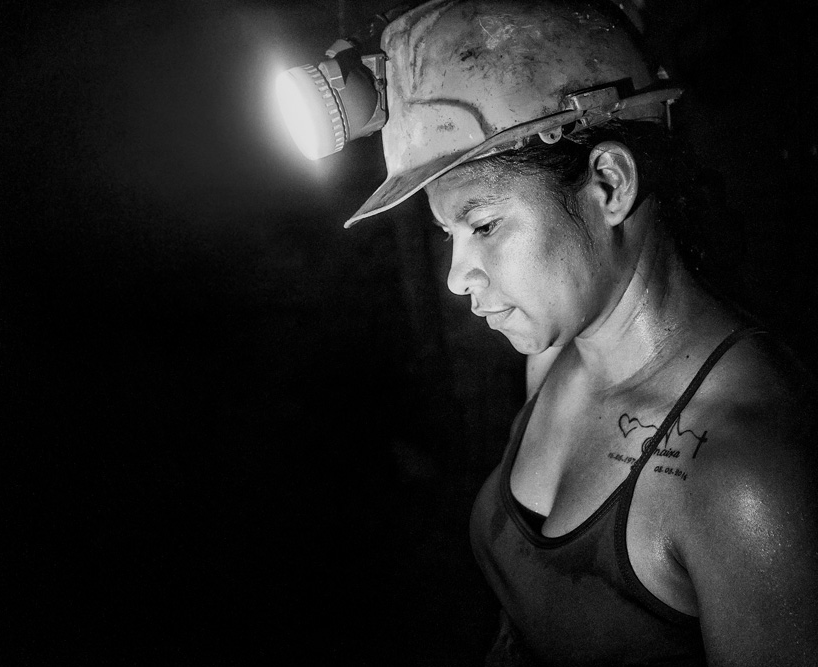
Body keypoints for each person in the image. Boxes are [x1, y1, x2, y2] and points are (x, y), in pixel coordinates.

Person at [341, 0, 818, 664]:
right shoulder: (556, 357)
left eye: (483, 224)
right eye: (446, 232)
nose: (456, 276)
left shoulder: (742, 471)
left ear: (609, 184)